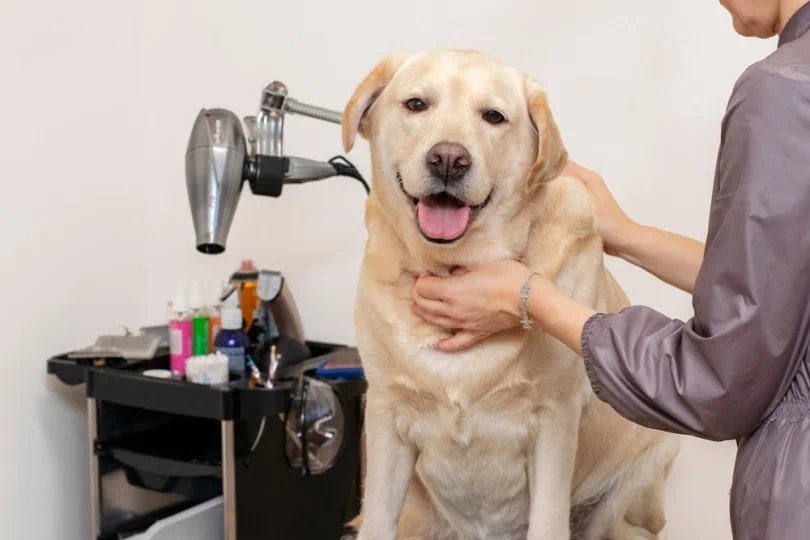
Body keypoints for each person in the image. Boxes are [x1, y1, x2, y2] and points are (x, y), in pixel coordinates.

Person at [410, 1, 810, 538]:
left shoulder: (783, 89)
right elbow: (784, 292)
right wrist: (624, 234)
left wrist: (531, 299)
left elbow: (720, 380)